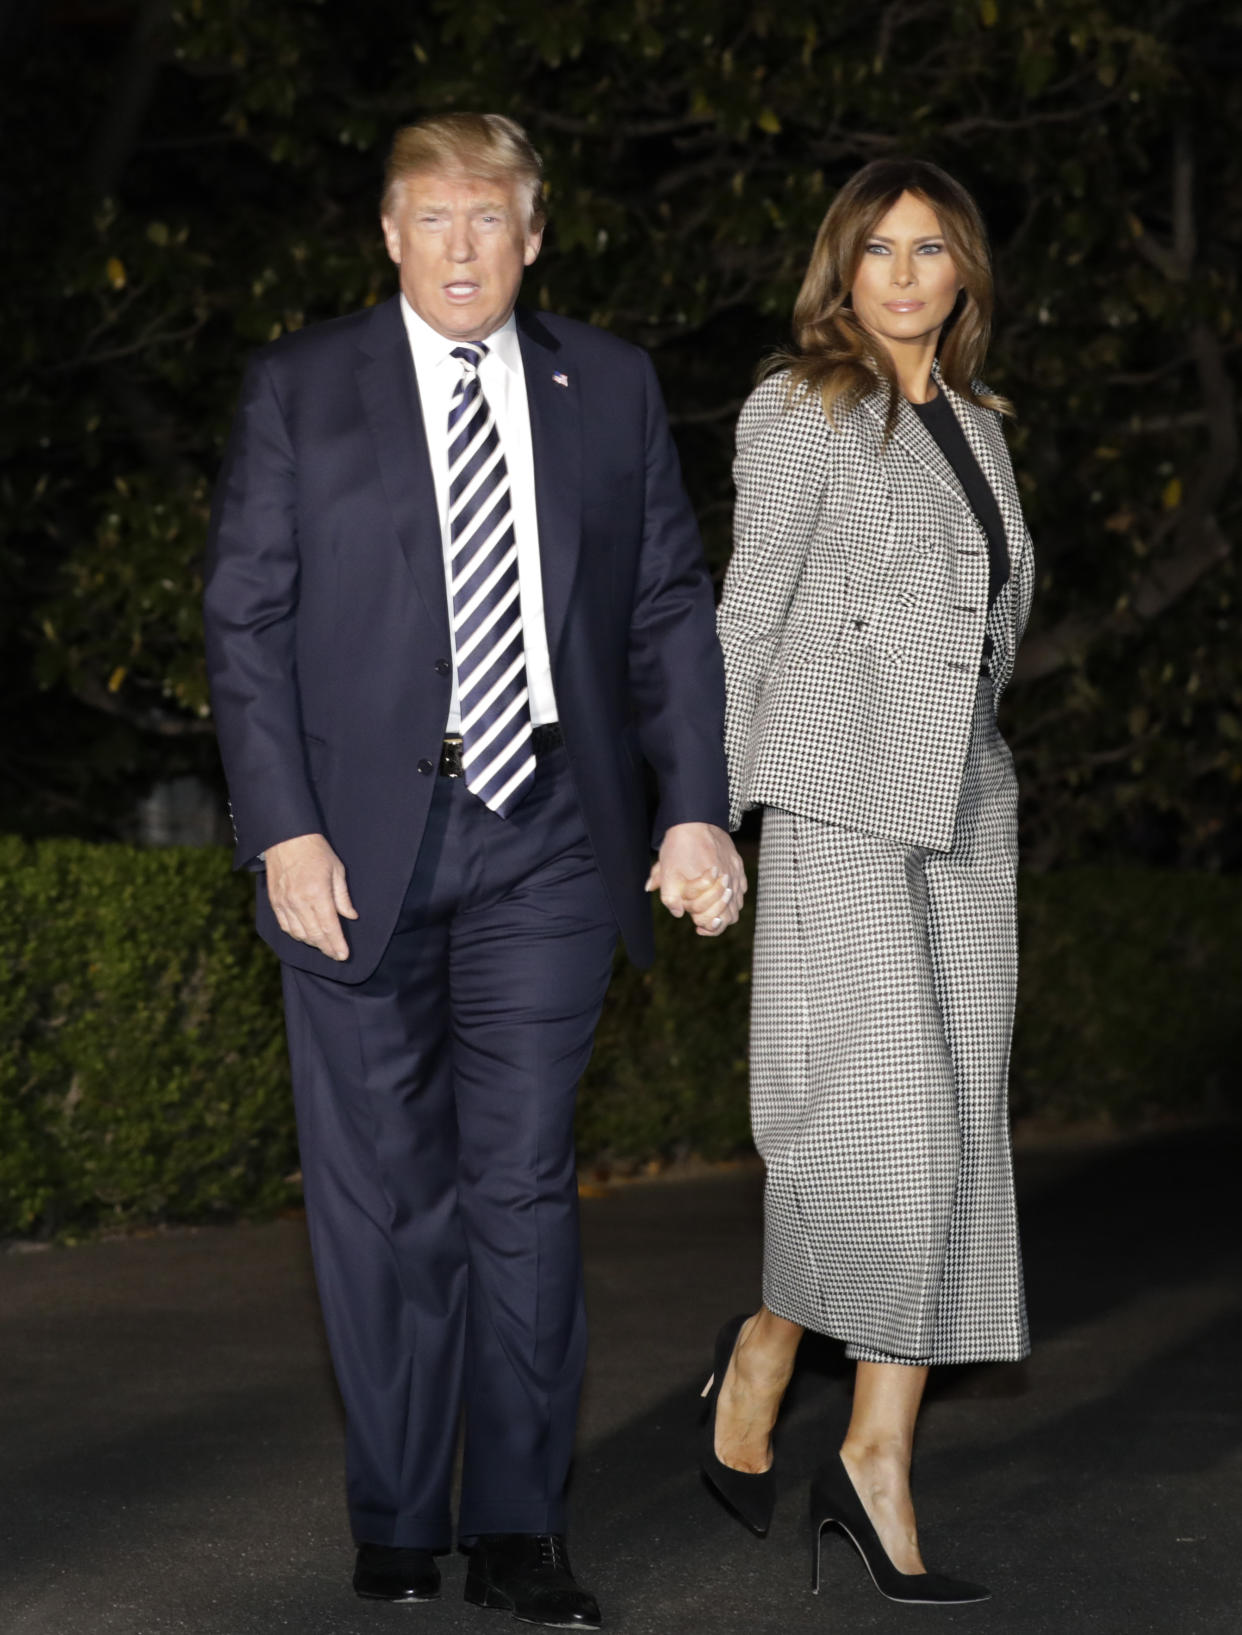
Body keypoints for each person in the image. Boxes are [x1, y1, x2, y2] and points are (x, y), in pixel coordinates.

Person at [204, 111, 745, 1630]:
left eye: (487, 220)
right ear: (387, 234)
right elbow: (243, 624)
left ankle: (518, 1524)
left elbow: (663, 610)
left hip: (551, 844)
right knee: (384, 1204)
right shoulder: (301, 388)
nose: (460, 248)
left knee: (518, 1189)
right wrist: (280, 827)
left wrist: (694, 809)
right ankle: (395, 1511)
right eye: (429, 218)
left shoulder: (610, 385)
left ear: (533, 232)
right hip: (352, 857)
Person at [704, 157, 1035, 1605]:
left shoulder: (979, 427)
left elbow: (986, 622)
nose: (903, 273)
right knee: (866, 1116)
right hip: (838, 798)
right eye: (877, 249)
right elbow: (745, 612)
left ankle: (853, 1426)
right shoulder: (798, 409)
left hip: (968, 800)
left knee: (951, 1126)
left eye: (930, 249)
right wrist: (703, 816)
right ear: (840, 269)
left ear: (963, 272)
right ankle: (805, 1379)